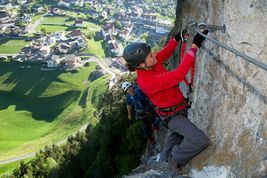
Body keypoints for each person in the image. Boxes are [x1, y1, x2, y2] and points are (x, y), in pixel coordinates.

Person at [122, 28, 210, 174]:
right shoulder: (146, 82)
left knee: (174, 135)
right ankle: (176, 158)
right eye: (150, 56)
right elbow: (179, 74)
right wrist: (194, 46)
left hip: (177, 108)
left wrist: (177, 38)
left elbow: (165, 52)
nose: (154, 56)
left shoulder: (151, 62)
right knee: (200, 140)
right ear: (140, 65)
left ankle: (162, 158)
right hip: (172, 116)